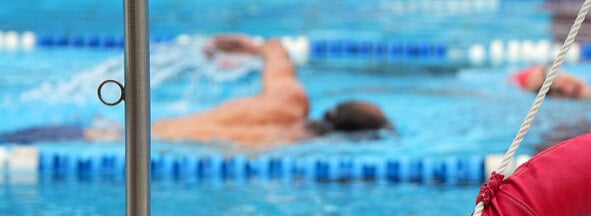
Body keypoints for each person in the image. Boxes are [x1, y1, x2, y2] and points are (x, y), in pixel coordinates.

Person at [0, 35, 393, 148]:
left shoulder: (288, 98)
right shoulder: (281, 145)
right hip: (108, 144)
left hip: (104, 133)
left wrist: (244, 47)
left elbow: (276, 48)